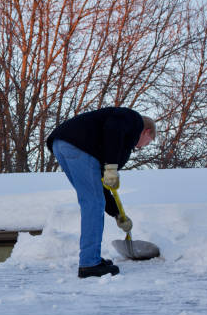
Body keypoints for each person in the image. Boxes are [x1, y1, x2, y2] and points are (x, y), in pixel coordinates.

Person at [47, 107, 156, 278]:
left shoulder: (107, 143)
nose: (142, 147)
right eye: (148, 142)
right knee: (92, 203)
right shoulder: (133, 119)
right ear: (147, 132)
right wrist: (112, 166)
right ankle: (89, 263)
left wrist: (117, 214)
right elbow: (114, 127)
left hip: (61, 144)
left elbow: (102, 189)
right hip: (77, 146)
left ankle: (91, 258)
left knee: (92, 201)